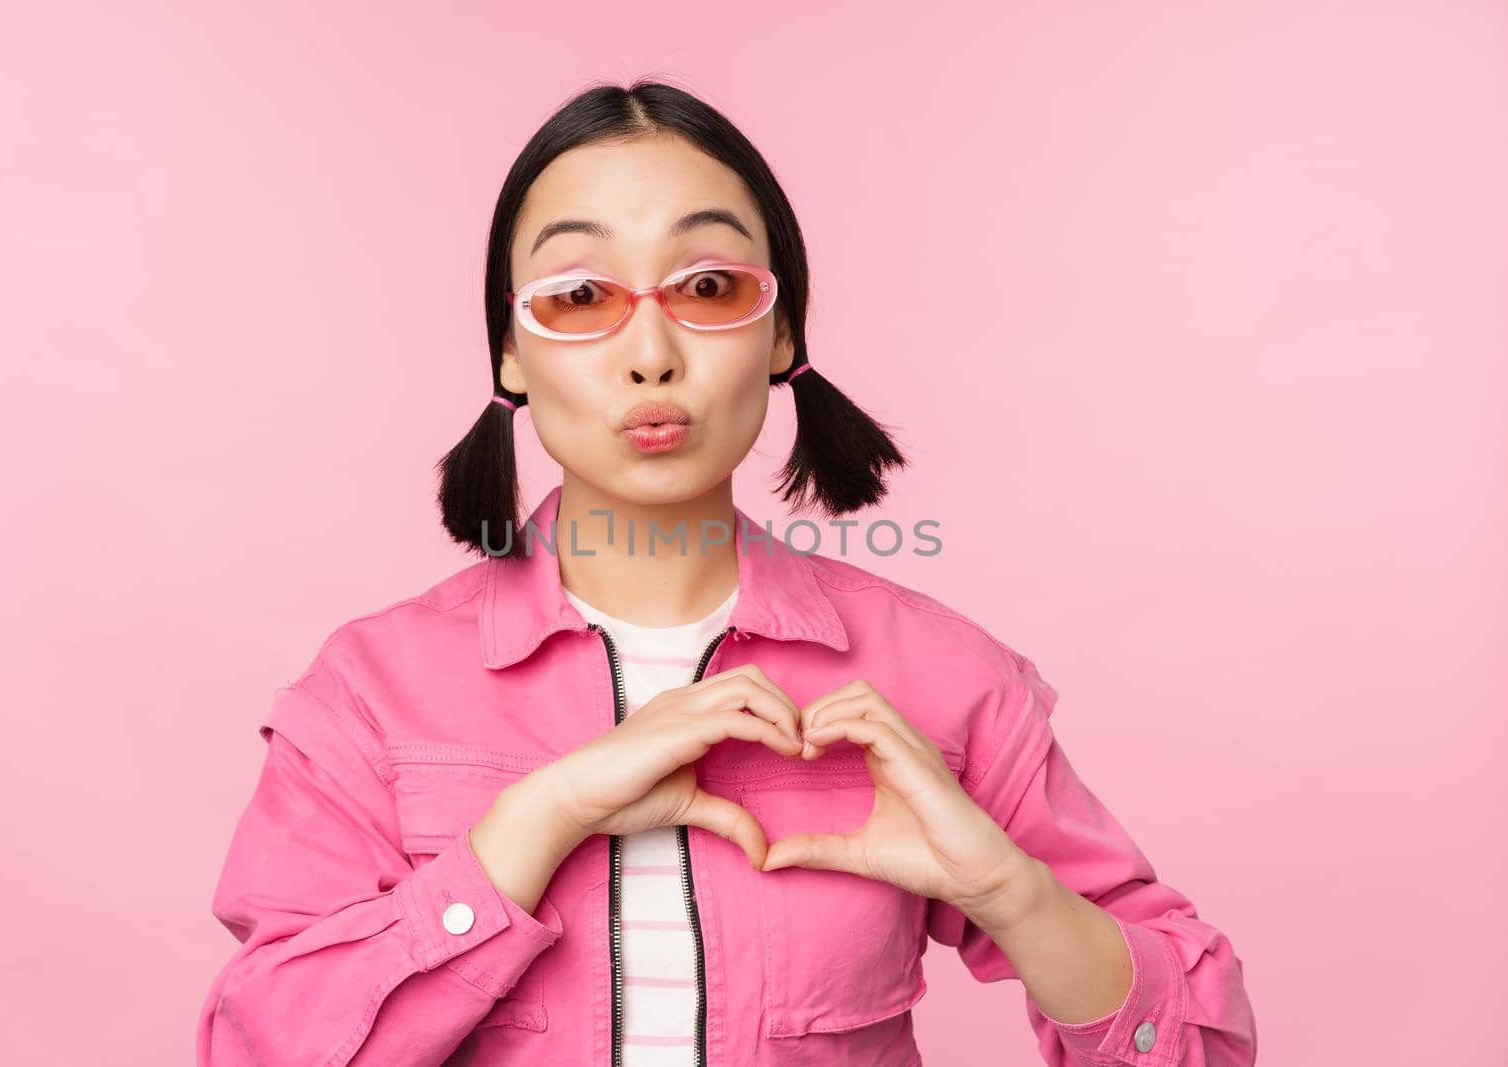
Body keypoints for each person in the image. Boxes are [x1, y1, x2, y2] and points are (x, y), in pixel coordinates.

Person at [196, 79, 1257, 1066]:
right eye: (577, 296)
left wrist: (1016, 895)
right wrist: (535, 821)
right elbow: (256, 1042)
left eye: (707, 285)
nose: (650, 352)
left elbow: (1201, 1044)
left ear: (781, 327)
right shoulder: (369, 692)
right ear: (510, 355)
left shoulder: (940, 675)